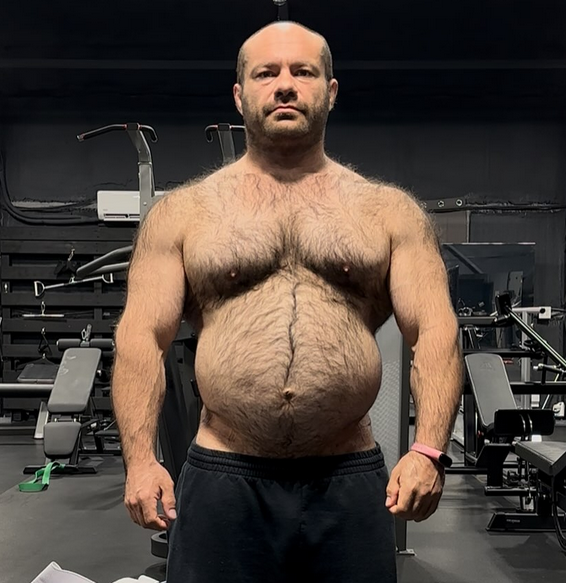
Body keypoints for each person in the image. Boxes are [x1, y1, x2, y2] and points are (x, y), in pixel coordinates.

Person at [111, 21, 463, 583]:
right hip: (223, 475)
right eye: (265, 73)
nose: (284, 85)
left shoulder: (388, 212)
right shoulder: (183, 214)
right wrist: (139, 460)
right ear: (239, 94)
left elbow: (436, 333)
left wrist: (428, 451)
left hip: (347, 478)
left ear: (331, 90)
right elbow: (140, 341)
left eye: (303, 72)